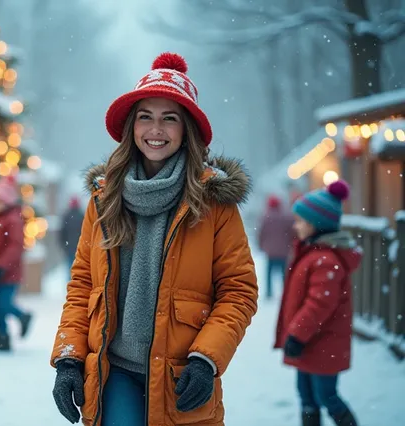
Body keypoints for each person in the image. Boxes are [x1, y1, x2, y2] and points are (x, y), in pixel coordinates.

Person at [50, 52, 258, 426]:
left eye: (169, 118)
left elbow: (238, 290)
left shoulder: (214, 204)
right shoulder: (104, 199)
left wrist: (206, 358)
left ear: (186, 129)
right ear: (131, 126)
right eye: (145, 116)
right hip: (116, 374)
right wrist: (68, 358)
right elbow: (82, 285)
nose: (155, 129)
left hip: (182, 373)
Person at [274, 180, 360, 426]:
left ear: (316, 225)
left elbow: (319, 304)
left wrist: (297, 335)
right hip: (309, 344)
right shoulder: (312, 253)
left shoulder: (325, 260)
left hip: (322, 343)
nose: (295, 225)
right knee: (307, 396)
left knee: (327, 397)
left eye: (300, 221)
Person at [0, 173, 33, 352]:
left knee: (3, 303)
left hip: (9, 273)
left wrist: (2, 266)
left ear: (7, 202)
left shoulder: (13, 220)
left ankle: (23, 316)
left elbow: (14, 247)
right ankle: (3, 340)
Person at [257, 194, 295, 299]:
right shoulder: (286, 217)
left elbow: (261, 233)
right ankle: (285, 291)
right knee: (284, 273)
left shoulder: (265, 217)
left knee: (269, 273)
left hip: (270, 251)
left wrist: (261, 245)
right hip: (283, 250)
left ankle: (269, 292)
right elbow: (293, 232)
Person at [60, 195, 85, 281]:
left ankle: (71, 286)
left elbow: (62, 233)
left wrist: (64, 246)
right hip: (80, 247)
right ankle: (78, 283)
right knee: (80, 269)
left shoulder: (66, 216)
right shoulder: (82, 216)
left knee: (70, 268)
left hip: (69, 247)